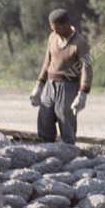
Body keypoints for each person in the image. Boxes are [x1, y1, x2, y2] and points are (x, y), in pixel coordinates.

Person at [30, 8, 92, 144]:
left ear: (66, 25)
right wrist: (39, 85)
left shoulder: (80, 43)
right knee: (45, 117)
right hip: (50, 85)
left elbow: (86, 69)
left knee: (65, 118)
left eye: (57, 28)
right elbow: (47, 61)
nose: (54, 31)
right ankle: (47, 148)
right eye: (52, 28)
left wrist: (83, 94)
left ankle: (68, 151)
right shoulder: (53, 37)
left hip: (68, 86)